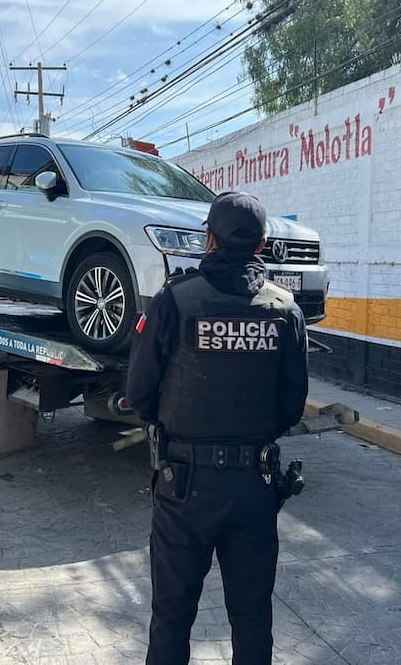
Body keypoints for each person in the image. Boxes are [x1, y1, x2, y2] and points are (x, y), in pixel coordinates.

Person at [126, 191, 309, 665]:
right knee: (252, 620)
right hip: (255, 486)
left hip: (184, 487)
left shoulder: (175, 300)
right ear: (263, 244)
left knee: (171, 617)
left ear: (208, 239)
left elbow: (140, 393)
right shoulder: (285, 310)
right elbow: (292, 406)